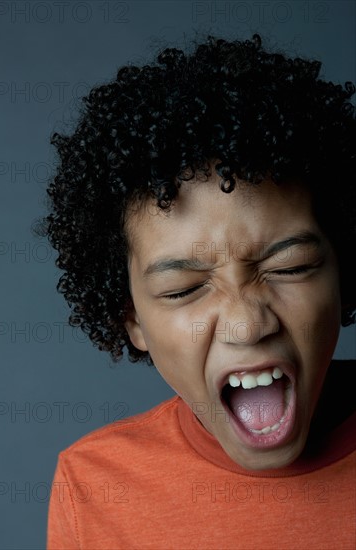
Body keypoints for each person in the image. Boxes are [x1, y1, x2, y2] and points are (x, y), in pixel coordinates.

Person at [45, 34, 356, 549]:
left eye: (291, 266)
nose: (248, 323)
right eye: (184, 288)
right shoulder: (93, 486)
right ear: (132, 319)